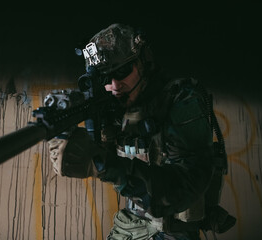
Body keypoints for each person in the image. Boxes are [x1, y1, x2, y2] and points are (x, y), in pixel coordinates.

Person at [48, 23, 235, 240]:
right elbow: (103, 152)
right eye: (106, 79)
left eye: (122, 72)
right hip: (132, 222)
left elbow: (185, 188)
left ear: (143, 62)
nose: (116, 85)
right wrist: (68, 134)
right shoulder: (115, 105)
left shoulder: (181, 99)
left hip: (173, 228)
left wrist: (103, 165)